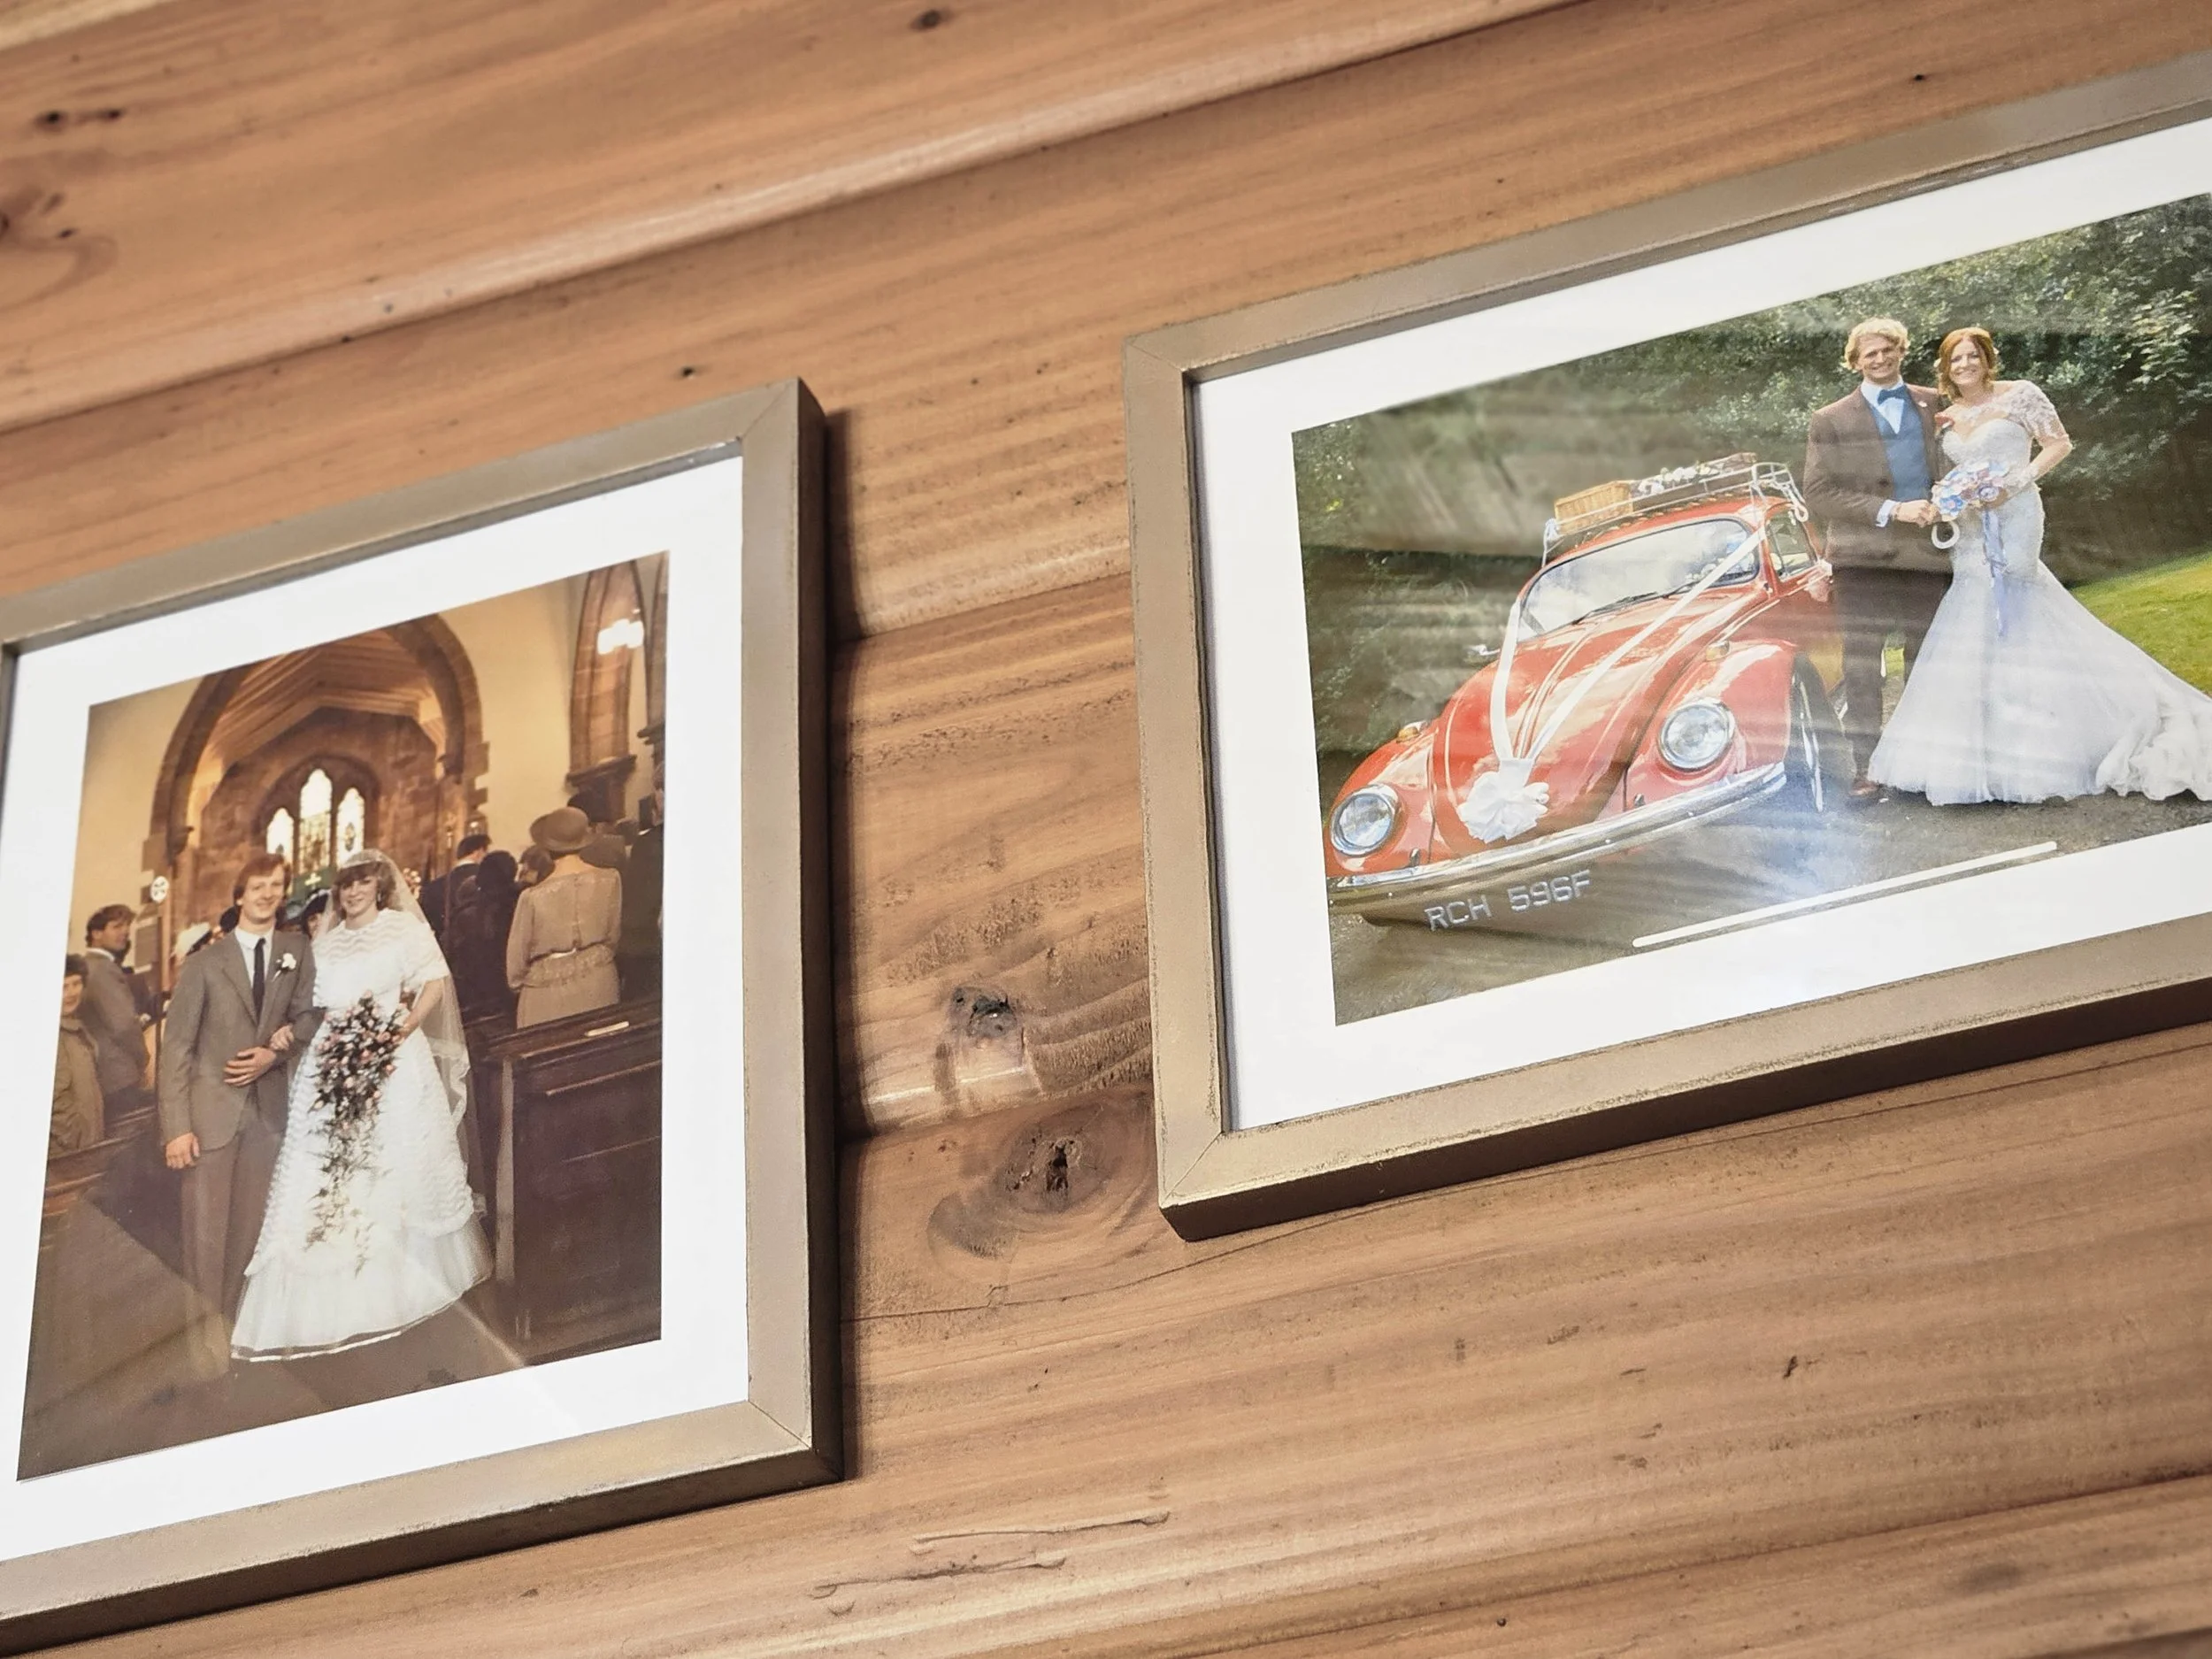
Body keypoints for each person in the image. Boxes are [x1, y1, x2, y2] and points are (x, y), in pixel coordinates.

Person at [1868, 326, 2212, 804]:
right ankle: (1981, 744)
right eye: (1955, 359)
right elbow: (1949, 472)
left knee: (2017, 589)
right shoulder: (1948, 415)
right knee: (1973, 604)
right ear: (1945, 368)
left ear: (1988, 359)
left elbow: (2058, 443)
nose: (1964, 365)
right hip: (1971, 526)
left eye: (1972, 356)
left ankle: (2048, 733)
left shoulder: (2021, 394)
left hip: (2017, 512)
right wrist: (1950, 497)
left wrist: (2016, 481)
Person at [232, 849, 489, 1360]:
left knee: (395, 1161)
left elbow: (434, 983)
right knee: (328, 1169)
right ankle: (332, 1302)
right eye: (346, 885)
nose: (353, 893)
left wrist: (402, 1029)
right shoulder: (325, 943)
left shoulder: (402, 929)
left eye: (362, 884)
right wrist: (295, 1032)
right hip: (332, 1059)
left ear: (379, 887)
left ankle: (408, 1285)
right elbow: (314, 1006)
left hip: (393, 1057)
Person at [157, 852, 319, 1378]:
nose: (267, 894)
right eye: (257, 886)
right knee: (206, 1237)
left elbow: (311, 1015)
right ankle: (202, 1347)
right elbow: (176, 1049)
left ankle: (236, 1332)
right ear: (239, 895)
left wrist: (276, 1053)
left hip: (267, 1114)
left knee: (250, 1231)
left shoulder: (296, 950)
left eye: (275, 885)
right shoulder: (205, 963)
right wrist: (177, 1128)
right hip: (210, 1118)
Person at [1801, 318, 1951, 796]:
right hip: (1861, 560)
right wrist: (1891, 509)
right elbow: (1818, 492)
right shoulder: (1830, 419)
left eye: (1888, 350)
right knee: (1863, 666)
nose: (1881, 359)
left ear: (1902, 351)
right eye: (1870, 353)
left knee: (1927, 658)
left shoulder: (1934, 402)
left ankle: (1927, 760)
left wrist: (1946, 498)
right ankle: (1867, 766)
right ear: (1855, 361)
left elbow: (1956, 462)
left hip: (1926, 555)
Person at [506, 807, 622, 1028]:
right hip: (600, 980)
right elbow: (613, 935)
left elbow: (516, 963)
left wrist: (520, 984)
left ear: (548, 848)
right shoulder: (611, 879)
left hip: (547, 991)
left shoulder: (532, 897)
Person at [78, 904, 152, 1121]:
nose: (125, 932)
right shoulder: (102, 968)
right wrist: (144, 1058)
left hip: (103, 1076)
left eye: (127, 926)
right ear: (96, 933)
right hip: (119, 1076)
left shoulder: (87, 966)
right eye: (117, 926)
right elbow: (124, 1025)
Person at [446, 849, 520, 1021]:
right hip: (513, 994)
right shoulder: (519, 903)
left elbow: (454, 958)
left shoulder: (468, 915)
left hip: (478, 1000)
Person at [53, 957, 104, 1155]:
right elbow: (55, 1100)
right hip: (67, 1153)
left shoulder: (76, 1028)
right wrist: (76, 1138)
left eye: (76, 983)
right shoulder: (56, 1037)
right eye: (63, 987)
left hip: (87, 1143)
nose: (71, 993)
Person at [420, 833, 490, 945]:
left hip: (444, 949)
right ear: (479, 852)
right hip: (481, 948)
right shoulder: (488, 881)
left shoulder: (434, 886)